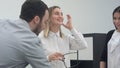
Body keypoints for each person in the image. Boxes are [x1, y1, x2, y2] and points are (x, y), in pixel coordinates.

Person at [0, 0, 51, 68]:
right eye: (45, 22)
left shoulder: (3, 22)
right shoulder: (30, 40)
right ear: (36, 19)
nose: (45, 27)